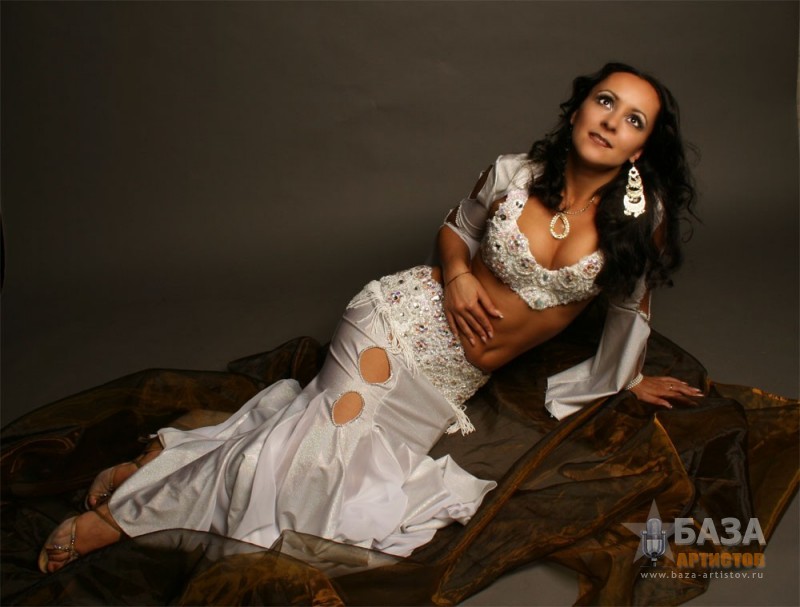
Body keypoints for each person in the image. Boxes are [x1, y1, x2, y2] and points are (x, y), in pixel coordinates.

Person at [38, 62, 701, 574]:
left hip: (450, 378)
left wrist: (626, 377)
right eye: (605, 101)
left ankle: (165, 458)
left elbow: (629, 307)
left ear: (639, 149)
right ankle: (125, 518)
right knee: (315, 455)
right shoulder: (513, 173)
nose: (611, 121)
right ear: (580, 107)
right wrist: (459, 276)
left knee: (336, 490)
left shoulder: (639, 224)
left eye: (633, 119)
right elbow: (454, 231)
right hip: (397, 322)